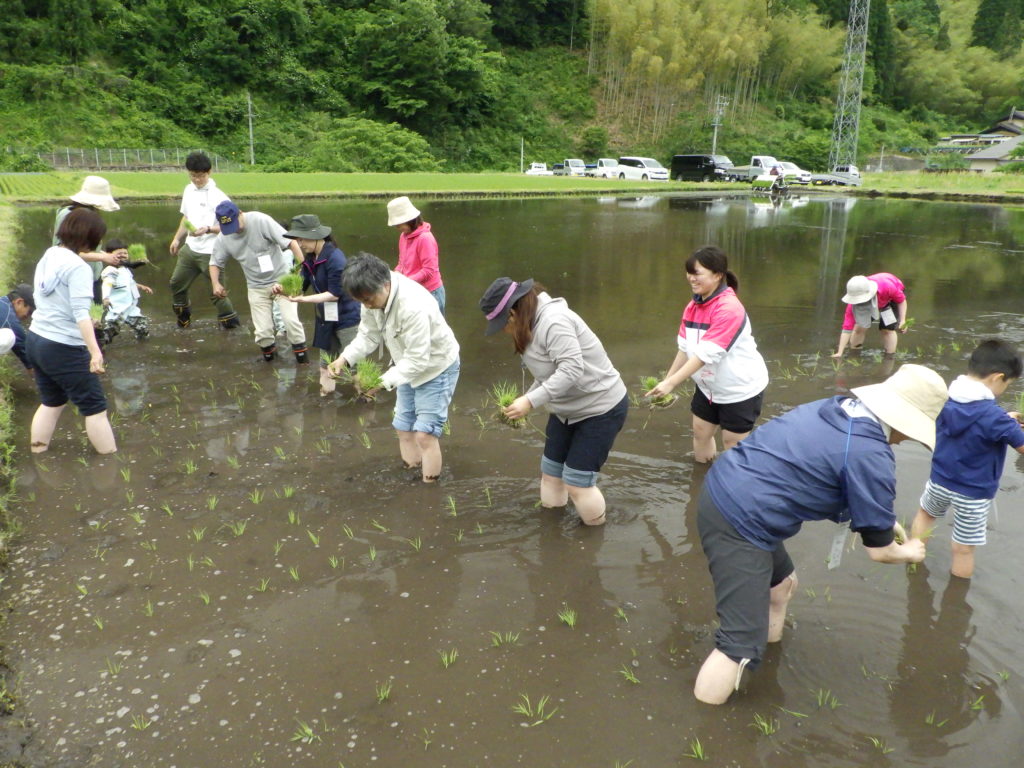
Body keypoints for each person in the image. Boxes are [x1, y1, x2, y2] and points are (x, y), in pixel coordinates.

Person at [692, 363, 946, 705]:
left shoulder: (836, 408)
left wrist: (883, 522)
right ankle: (705, 727)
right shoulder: (872, 453)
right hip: (740, 519)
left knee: (782, 584)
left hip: (731, 488)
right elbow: (881, 552)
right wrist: (911, 551)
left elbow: (822, 471)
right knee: (738, 647)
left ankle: (768, 653)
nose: (907, 439)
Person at [479, 278, 628, 526]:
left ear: (514, 313)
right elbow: (549, 374)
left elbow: (571, 370)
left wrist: (530, 401)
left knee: (577, 483)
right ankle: (551, 532)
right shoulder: (531, 324)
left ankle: (593, 538)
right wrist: (525, 398)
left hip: (600, 408)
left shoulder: (554, 322)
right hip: (565, 409)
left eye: (502, 324)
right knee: (551, 474)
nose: (504, 331)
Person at [327, 254, 460, 483]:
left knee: (425, 434)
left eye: (369, 299)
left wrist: (379, 384)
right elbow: (368, 335)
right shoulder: (370, 295)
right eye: (361, 301)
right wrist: (344, 359)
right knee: (403, 427)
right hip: (404, 365)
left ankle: (429, 492)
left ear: (385, 284)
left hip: (436, 368)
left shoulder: (413, 305)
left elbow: (418, 361)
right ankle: (411, 475)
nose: (367, 305)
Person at [911, 340, 1024, 579]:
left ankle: (913, 559)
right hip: (973, 493)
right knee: (963, 549)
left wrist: (1005, 420)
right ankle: (957, 599)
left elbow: (973, 421)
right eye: (1007, 384)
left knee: (925, 515)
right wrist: (1009, 425)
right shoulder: (995, 418)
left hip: (939, 480)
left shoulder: (945, 398)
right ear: (997, 377)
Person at [646, 246, 769, 463]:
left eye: (697, 273)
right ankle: (702, 478)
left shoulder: (729, 309)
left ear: (718, 275)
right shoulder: (694, 305)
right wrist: (666, 381)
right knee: (700, 433)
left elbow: (705, 355)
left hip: (739, 388)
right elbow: (684, 349)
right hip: (708, 387)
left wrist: (672, 383)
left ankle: (733, 486)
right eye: (689, 273)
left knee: (733, 443)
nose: (691, 278)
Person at [27, 208, 117, 454]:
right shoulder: (79, 268)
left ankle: (39, 454)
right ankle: (112, 464)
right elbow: (80, 313)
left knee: (51, 402)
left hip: (36, 339)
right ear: (91, 238)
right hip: (62, 345)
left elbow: (50, 296)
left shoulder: (51, 253)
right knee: (96, 408)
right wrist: (95, 352)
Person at [209, 201, 308, 363]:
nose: (235, 230)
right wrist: (215, 283)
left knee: (291, 323)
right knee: (263, 332)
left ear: (240, 213)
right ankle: (270, 365)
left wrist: (299, 272)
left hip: (282, 280)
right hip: (255, 286)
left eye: (235, 224)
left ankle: (303, 364)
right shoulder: (224, 237)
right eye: (229, 227)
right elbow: (215, 262)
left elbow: (291, 243)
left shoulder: (260, 220)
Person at [281, 215, 361, 395]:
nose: (300, 244)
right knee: (325, 362)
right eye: (298, 240)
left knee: (353, 364)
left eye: (302, 239)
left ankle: (364, 400)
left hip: (347, 319)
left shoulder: (335, 258)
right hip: (325, 317)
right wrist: (283, 289)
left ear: (316, 236)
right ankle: (325, 397)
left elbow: (334, 295)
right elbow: (301, 284)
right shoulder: (311, 258)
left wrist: (303, 300)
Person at [168, 151, 240, 329]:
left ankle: (232, 328)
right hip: (190, 249)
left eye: (200, 176)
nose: (197, 180)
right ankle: (183, 320)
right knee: (176, 283)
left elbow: (234, 225)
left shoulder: (219, 197)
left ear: (209, 173)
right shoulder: (188, 189)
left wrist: (208, 229)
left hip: (212, 252)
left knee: (217, 293)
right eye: (193, 175)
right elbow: (186, 217)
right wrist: (177, 238)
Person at [52, 176, 124, 299]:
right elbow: (66, 252)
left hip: (91, 277)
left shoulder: (88, 214)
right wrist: (103, 257)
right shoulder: (69, 215)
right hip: (74, 279)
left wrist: (108, 255)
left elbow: (86, 248)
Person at [387, 196, 445, 314]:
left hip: (430, 292)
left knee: (433, 332)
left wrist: (405, 282)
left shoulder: (425, 238)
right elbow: (402, 264)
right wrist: (396, 275)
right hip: (413, 290)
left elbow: (429, 271)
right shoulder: (404, 236)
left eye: (399, 224)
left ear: (410, 220)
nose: (397, 228)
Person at [832, 272, 908, 357]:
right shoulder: (853, 305)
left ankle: (889, 358)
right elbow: (847, 328)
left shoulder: (888, 286)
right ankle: (854, 355)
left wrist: (902, 320)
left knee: (887, 329)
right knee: (859, 328)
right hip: (878, 299)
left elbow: (901, 301)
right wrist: (840, 352)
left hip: (890, 299)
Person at [99, 239, 153, 344]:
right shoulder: (110, 271)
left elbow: (129, 282)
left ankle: (143, 343)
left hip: (131, 307)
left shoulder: (125, 269)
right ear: (109, 255)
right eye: (119, 254)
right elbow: (107, 284)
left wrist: (141, 286)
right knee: (111, 330)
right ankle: (100, 344)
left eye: (125, 253)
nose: (123, 255)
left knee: (142, 325)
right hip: (118, 308)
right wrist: (105, 298)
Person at [0, 284, 35, 372]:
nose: (28, 316)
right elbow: (31, 364)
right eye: (30, 312)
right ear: (19, 302)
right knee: (8, 337)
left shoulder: (3, 301)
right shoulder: (12, 324)